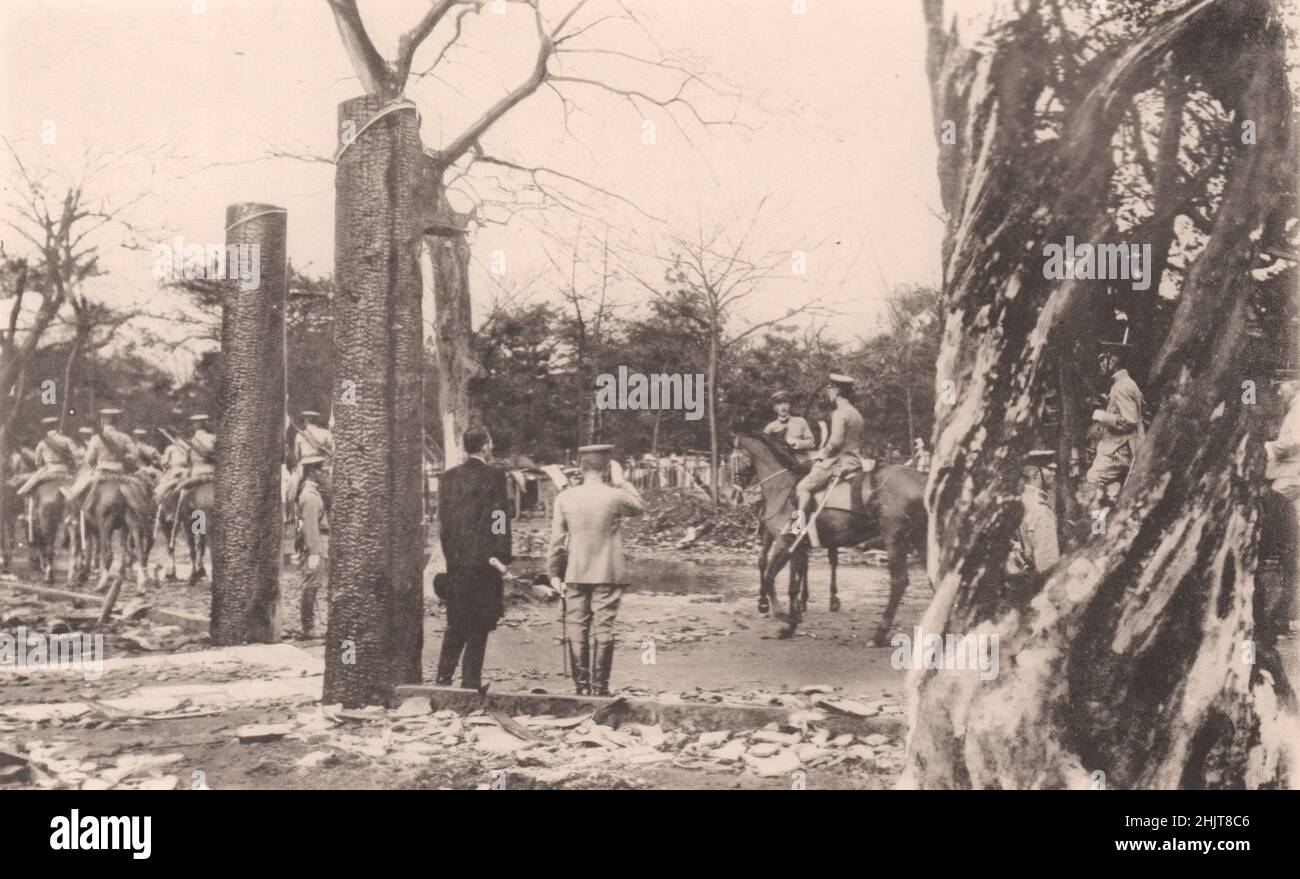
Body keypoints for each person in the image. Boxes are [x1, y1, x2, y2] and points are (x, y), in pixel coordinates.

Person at [547, 443, 646, 696]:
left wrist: (554, 574)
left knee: (576, 626)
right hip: (607, 572)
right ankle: (600, 689)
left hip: (575, 572)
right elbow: (639, 507)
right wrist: (622, 481)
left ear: (581, 468)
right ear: (606, 469)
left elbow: (557, 541)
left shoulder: (565, 497)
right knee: (604, 628)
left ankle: (581, 689)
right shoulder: (615, 495)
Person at [434, 427, 512, 690]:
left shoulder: (448, 478)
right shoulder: (495, 477)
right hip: (485, 562)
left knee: (456, 621)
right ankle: (470, 681)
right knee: (479, 624)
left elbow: (444, 524)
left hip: (456, 561)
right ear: (486, 446)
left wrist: (451, 556)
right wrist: (502, 556)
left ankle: (443, 677)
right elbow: (499, 517)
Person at [793, 373, 865, 529]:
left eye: (830, 390)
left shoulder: (839, 413)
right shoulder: (856, 413)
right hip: (856, 460)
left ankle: (796, 527)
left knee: (802, 487)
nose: (829, 394)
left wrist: (821, 455)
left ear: (837, 391)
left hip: (841, 463)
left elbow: (835, 442)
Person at [1086, 342, 1144, 502]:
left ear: (1114, 361)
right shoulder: (1125, 384)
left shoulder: (1121, 387)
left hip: (1119, 451)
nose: (1101, 364)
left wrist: (1101, 416)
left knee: (1093, 480)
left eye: (1103, 359)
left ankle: (1097, 528)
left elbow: (1129, 421)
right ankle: (1101, 525)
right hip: (1121, 449)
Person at [63, 408, 142, 510]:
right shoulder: (124, 437)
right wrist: (127, 458)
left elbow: (89, 460)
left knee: (74, 493)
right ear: (117, 421)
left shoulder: (95, 438)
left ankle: (74, 516)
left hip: (101, 472)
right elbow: (135, 454)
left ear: (103, 421)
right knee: (140, 490)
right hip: (120, 472)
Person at [297, 453, 330, 637]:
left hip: (319, 542)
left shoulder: (314, 493)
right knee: (311, 584)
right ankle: (308, 627)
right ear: (312, 472)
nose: (324, 473)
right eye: (321, 469)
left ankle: (309, 625)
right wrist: (315, 552)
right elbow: (310, 528)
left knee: (314, 583)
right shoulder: (310, 496)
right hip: (315, 545)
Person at [16, 417, 80, 497]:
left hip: (50, 470)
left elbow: (38, 462)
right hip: (66, 470)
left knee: (29, 491)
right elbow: (77, 456)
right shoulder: (67, 440)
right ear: (57, 426)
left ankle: (30, 508)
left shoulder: (42, 443)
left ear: (45, 428)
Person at [763, 390, 817, 462]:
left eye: (785, 404)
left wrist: (798, 443)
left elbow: (812, 443)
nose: (783, 407)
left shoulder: (800, 421)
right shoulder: (769, 428)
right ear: (775, 408)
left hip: (801, 460)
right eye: (779, 404)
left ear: (789, 406)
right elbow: (764, 450)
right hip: (781, 463)